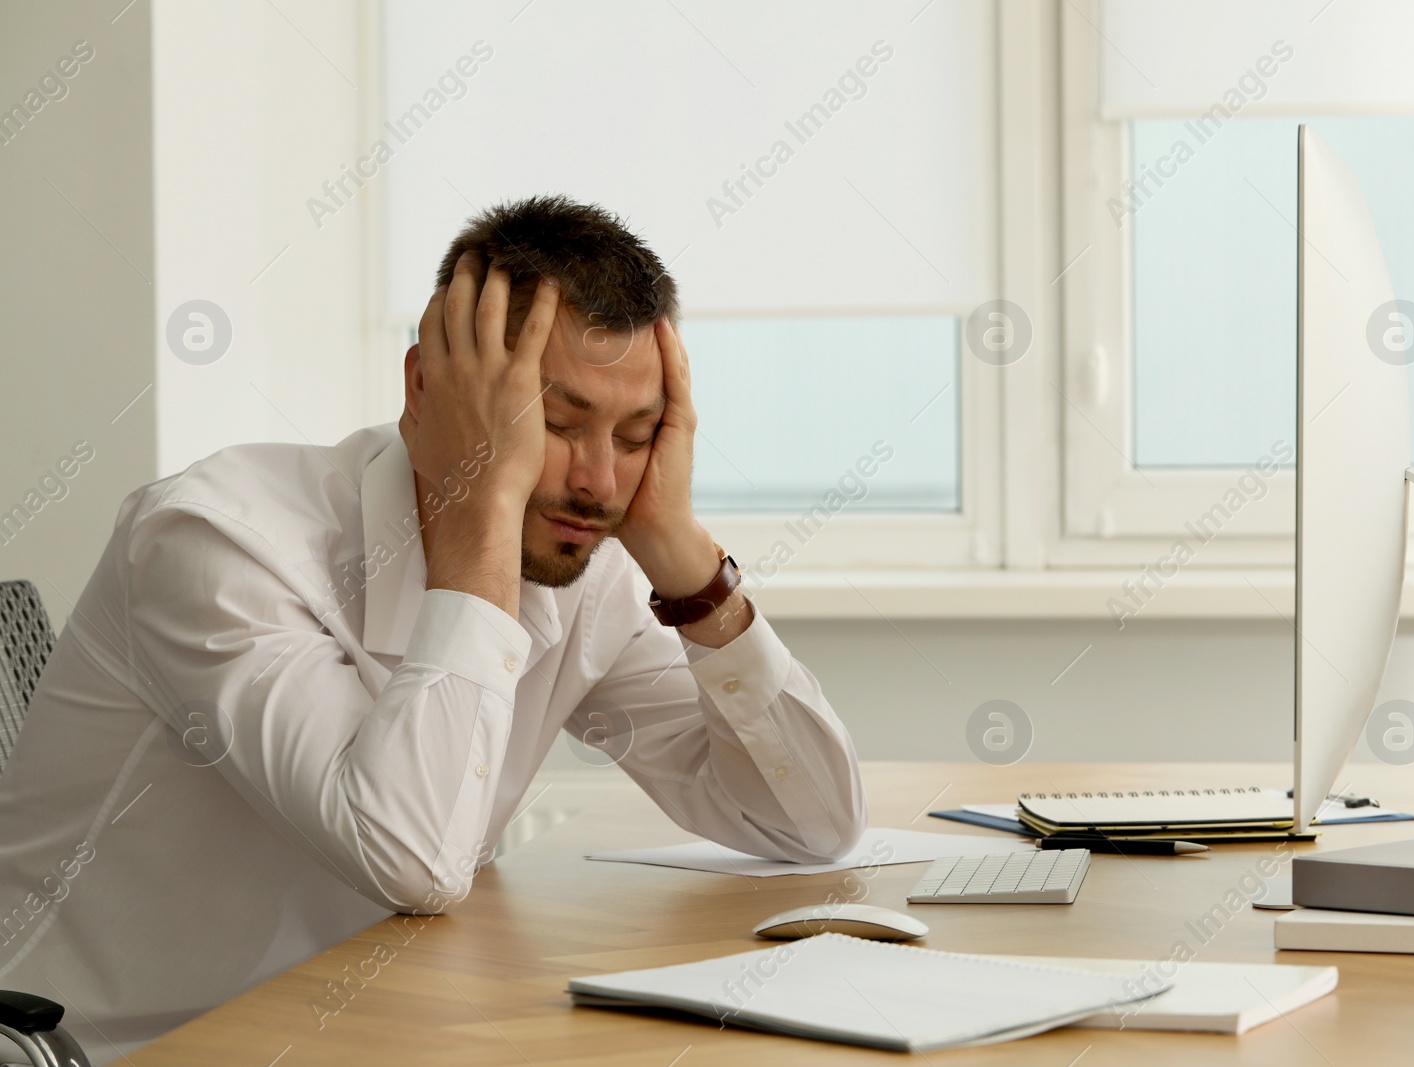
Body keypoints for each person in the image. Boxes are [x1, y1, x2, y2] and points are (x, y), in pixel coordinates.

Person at [0, 195, 866, 1062]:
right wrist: (484, 506)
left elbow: (812, 826)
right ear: (427, 390)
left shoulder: (577, 561)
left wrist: (688, 568)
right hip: (118, 1050)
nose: (601, 481)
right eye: (558, 425)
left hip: (372, 1026)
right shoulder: (213, 544)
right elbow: (410, 861)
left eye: (637, 436)